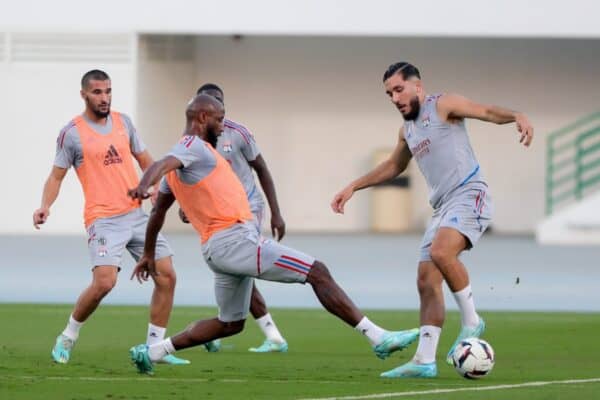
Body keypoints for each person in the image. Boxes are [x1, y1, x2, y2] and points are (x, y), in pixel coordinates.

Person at [127, 94, 419, 376]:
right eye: (219, 119)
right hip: (236, 241)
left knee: (230, 324)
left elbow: (158, 212)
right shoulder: (192, 145)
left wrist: (149, 252)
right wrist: (143, 185)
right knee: (317, 271)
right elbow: (161, 164)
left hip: (216, 249)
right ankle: (377, 337)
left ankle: (153, 351)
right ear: (203, 117)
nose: (222, 125)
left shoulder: (192, 160)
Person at [331, 62, 533, 378]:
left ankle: (471, 321)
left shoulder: (442, 104)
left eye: (399, 89)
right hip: (442, 209)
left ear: (417, 86)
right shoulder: (407, 130)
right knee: (426, 281)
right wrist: (353, 186)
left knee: (441, 252)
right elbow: (393, 166)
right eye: (389, 94)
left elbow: (485, 111)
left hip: (469, 194)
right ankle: (424, 360)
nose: (395, 98)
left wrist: (515, 116)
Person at [33, 69, 189, 366]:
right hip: (103, 219)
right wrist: (45, 206)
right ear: (84, 95)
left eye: (108, 91)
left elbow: (146, 160)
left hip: (137, 215)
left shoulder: (123, 122)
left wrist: (155, 186)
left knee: (167, 276)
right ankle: (68, 335)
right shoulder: (72, 133)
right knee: (105, 282)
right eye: (97, 92)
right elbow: (56, 176)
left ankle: (155, 348)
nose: (104, 98)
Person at [179, 83, 288, 353]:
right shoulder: (194, 142)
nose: (218, 112)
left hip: (246, 209)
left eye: (221, 106)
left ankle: (268, 333)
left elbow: (261, 169)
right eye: (211, 105)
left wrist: (276, 211)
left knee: (238, 266)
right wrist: (188, 205)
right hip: (217, 215)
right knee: (231, 269)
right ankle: (233, 328)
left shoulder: (238, 133)